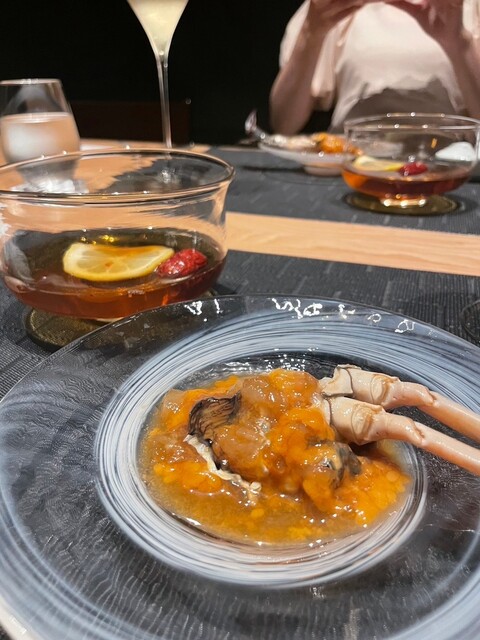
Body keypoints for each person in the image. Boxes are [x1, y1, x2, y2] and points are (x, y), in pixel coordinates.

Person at [269, 0, 480, 134]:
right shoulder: (334, 5)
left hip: (449, 167)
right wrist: (311, 32)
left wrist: (459, 43)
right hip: (352, 165)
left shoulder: (465, 7)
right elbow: (284, 123)